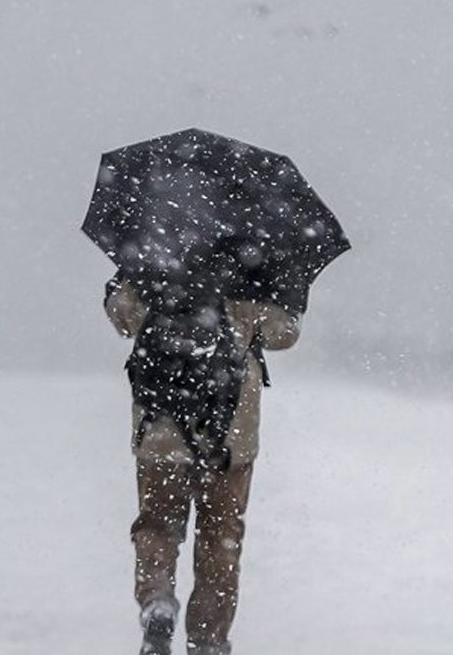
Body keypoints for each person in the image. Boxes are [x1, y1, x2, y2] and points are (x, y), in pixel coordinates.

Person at [105, 269, 301, 655]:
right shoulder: (253, 262)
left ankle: (156, 598)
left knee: (157, 523)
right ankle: (209, 640)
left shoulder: (153, 254)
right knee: (221, 536)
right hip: (230, 432)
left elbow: (123, 316)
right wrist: (282, 297)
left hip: (161, 426)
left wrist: (118, 286)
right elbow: (284, 333)